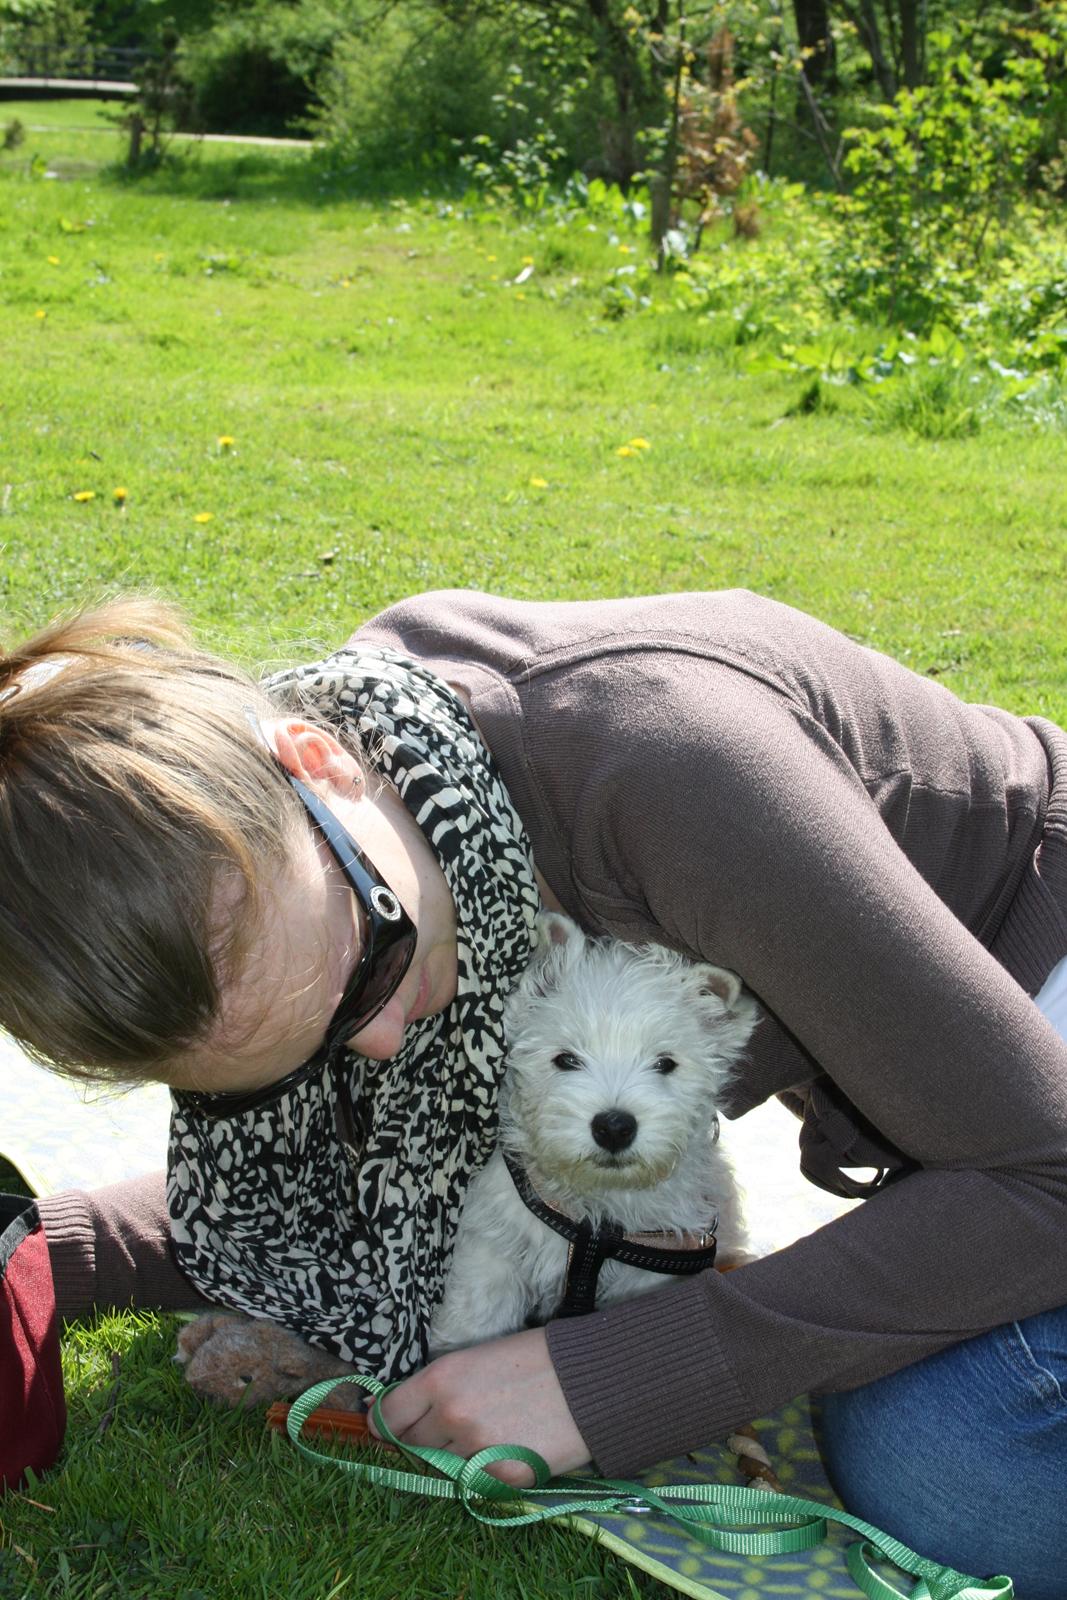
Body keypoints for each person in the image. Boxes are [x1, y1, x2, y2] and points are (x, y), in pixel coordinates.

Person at [4, 588, 1066, 1597]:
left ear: (318, 767)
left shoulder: (673, 779)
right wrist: (37, 1252)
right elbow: (306, 1191)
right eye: (293, 1064)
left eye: (366, 979)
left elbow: (1042, 1168)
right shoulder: (364, 855)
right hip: (946, 1104)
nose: (378, 1047)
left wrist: (610, 1376)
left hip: (1038, 1011)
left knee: (943, 1458)